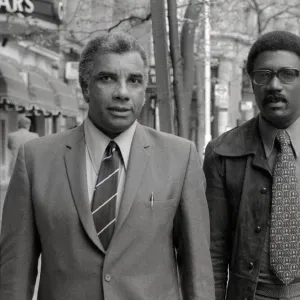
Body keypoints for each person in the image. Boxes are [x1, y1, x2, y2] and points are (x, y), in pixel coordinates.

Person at [0, 32, 214, 300]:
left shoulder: (180, 157)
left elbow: (198, 271)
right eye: (107, 78)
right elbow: (14, 275)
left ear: (144, 92)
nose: (123, 93)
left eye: (134, 81)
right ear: (85, 87)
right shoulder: (34, 160)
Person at [203, 30, 300, 300]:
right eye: (263, 75)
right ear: (252, 82)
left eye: (288, 74)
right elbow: (213, 251)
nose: (274, 85)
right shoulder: (222, 153)